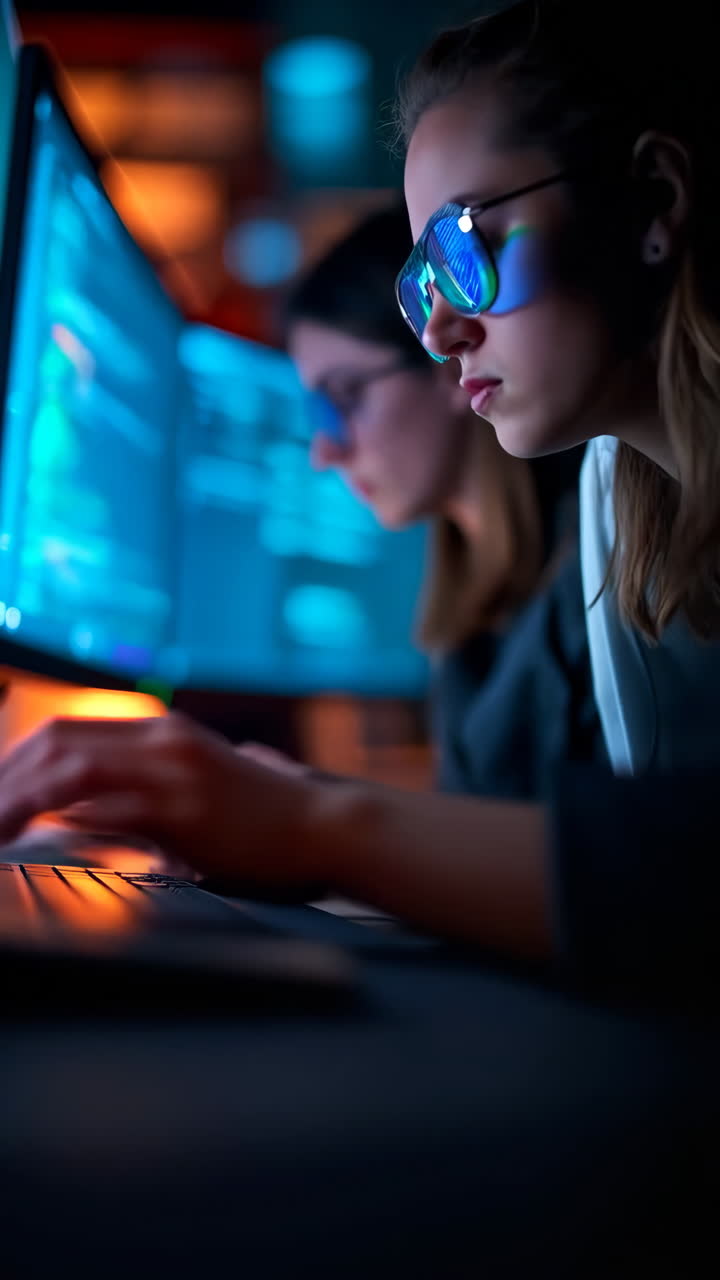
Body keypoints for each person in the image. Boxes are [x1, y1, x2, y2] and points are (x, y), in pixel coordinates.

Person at [1, 0, 719, 1004]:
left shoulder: (596, 557)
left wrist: (319, 821)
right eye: (422, 282)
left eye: (467, 247)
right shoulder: (629, 519)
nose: (442, 332)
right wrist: (302, 806)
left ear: (652, 198)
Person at [286, 204, 602, 798]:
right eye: (316, 413)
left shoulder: (601, 563)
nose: (324, 450)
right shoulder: (469, 622)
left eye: (345, 396)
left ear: (445, 360)